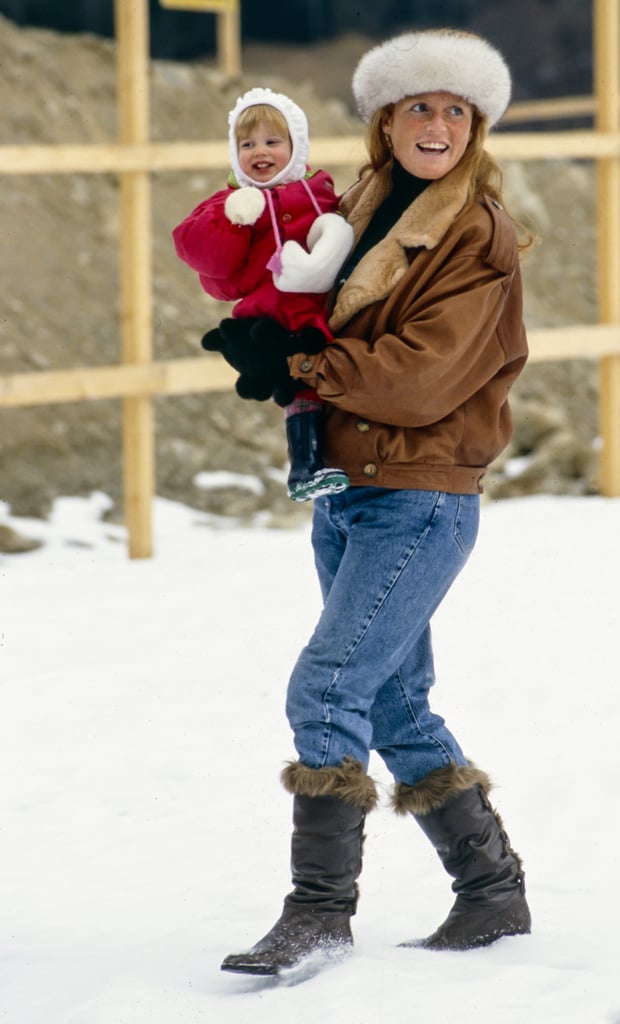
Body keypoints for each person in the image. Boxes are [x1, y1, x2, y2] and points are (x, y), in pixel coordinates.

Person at [215, 29, 532, 976]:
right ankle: (492, 892)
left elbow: (423, 375)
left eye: (455, 110)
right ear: (385, 121)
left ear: (475, 128)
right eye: (418, 107)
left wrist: (304, 363)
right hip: (348, 487)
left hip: (419, 493)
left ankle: (318, 911)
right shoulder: (354, 206)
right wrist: (262, 332)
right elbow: (301, 303)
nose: (436, 123)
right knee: (393, 701)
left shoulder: (475, 232)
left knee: (328, 685)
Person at [173, 87, 354, 501]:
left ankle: (337, 459)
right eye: (247, 144)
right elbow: (205, 258)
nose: (261, 151)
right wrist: (233, 217)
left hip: (326, 307)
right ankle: (305, 469)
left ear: (296, 147)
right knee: (300, 385)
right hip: (276, 317)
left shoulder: (321, 190)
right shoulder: (231, 201)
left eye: (273, 141)